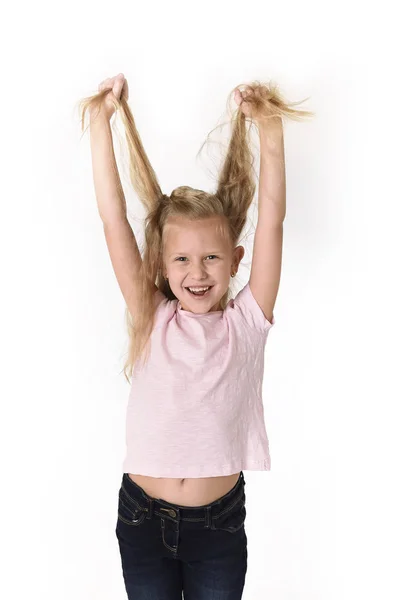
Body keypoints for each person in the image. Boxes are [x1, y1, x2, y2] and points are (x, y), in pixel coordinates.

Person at [79, 74, 312, 600]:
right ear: (161, 265)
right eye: (181, 259)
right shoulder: (151, 315)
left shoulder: (248, 323)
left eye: (211, 257)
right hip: (140, 517)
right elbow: (112, 219)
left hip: (218, 527)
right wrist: (101, 126)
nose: (197, 271)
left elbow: (271, 220)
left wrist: (270, 137)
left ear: (235, 260)